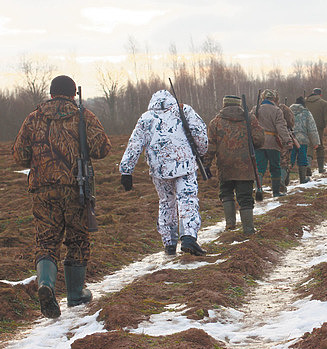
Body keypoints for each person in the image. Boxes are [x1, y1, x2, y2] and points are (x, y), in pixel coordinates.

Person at [12, 75, 111, 319]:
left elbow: (19, 157)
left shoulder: (33, 117)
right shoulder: (83, 115)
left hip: (42, 190)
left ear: (51, 93)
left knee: (46, 241)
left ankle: (46, 285)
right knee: (77, 239)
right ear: (73, 94)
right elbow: (102, 149)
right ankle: (76, 294)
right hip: (76, 187)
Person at [119, 89, 208, 256]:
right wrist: (201, 154)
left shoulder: (145, 118)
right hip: (185, 165)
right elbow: (200, 133)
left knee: (166, 202)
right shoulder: (184, 110)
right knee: (187, 199)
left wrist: (126, 171)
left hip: (158, 169)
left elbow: (134, 144)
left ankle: (169, 243)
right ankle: (188, 237)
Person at [203, 95, 264, 235]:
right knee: (245, 197)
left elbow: (210, 146)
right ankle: (248, 230)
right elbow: (259, 140)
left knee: (226, 193)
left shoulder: (215, 122)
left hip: (225, 166)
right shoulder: (250, 119)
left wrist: (206, 164)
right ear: (239, 105)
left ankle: (230, 225)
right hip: (245, 166)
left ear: (224, 105)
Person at [252, 89, 292, 197]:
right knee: (275, 167)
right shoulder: (277, 110)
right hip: (273, 143)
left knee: (259, 167)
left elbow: (250, 125)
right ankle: (276, 192)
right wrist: (287, 140)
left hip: (258, 142)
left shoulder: (256, 109)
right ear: (273, 98)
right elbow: (281, 127)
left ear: (263, 98)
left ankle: (258, 189)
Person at [289, 96, 320, 183]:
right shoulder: (306, 112)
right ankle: (303, 179)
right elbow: (312, 128)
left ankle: (284, 179)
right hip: (302, 140)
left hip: (290, 139)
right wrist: (316, 142)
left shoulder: (288, 112)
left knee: (289, 159)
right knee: (302, 158)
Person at [305, 88, 327, 173]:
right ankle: (321, 168)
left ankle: (307, 165)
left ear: (312, 93)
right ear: (320, 95)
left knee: (309, 146)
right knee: (319, 146)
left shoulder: (305, 102)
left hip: (305, 127)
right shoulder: (324, 103)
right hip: (318, 128)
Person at [277, 98, 295, 192]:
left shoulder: (270, 109)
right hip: (284, 138)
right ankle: (281, 182)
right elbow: (291, 123)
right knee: (284, 161)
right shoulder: (285, 109)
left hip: (272, 139)